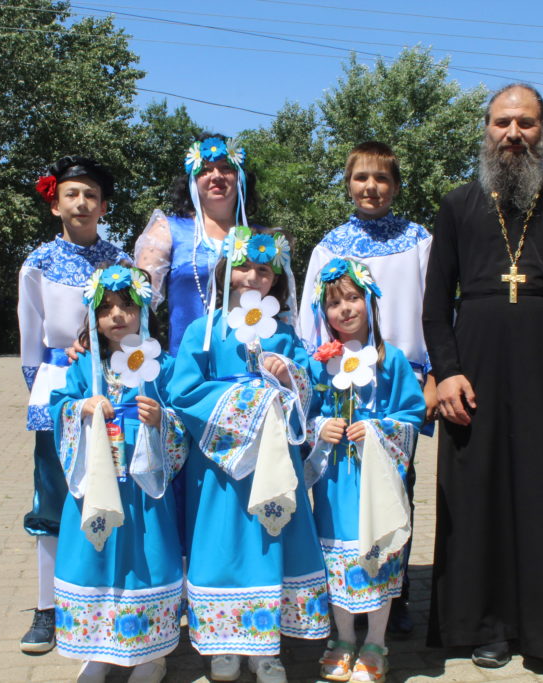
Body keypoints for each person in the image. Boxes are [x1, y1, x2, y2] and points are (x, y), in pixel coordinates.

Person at [422, 83, 543, 669]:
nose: (513, 134)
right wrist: (446, 372)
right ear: (486, 130)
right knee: (478, 493)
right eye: (503, 122)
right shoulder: (458, 205)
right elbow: (435, 305)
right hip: (475, 368)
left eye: (525, 123)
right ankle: (487, 626)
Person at [169, 227, 330, 683]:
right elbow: (183, 392)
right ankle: (224, 645)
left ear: (275, 280)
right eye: (244, 266)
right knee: (222, 544)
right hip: (220, 465)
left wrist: (288, 375)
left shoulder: (285, 333)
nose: (253, 277)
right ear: (226, 272)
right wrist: (249, 402)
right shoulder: (204, 331)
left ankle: (266, 648)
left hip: (274, 463)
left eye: (264, 269)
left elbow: (310, 392)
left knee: (269, 542)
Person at [298, 141, 437, 636]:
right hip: (339, 381)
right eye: (361, 177)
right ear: (348, 184)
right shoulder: (330, 246)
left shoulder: (420, 240)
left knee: (398, 485)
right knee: (338, 493)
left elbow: (437, 309)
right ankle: (343, 595)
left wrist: (435, 374)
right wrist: (318, 369)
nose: (371, 187)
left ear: (396, 185)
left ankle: (394, 595)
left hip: (398, 380)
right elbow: (310, 316)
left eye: (381, 178)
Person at [48, 265, 187, 683]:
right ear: (93, 317)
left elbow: (184, 420)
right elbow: (59, 406)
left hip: (144, 488)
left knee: (147, 558)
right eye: (105, 308)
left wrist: (162, 418)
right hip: (97, 483)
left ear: (143, 309)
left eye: (126, 305)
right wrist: (81, 408)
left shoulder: (164, 365)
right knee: (96, 557)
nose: (117, 315)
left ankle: (150, 654)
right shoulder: (83, 366)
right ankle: (97, 650)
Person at [17, 156, 131, 654]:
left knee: (113, 487)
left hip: (114, 390)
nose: (81, 203)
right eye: (72, 194)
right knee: (53, 497)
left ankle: (110, 595)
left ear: (104, 206)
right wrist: (43, 392)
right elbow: (29, 338)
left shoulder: (121, 262)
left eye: (91, 195)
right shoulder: (38, 263)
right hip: (59, 389)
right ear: (55, 204)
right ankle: (49, 608)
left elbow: (135, 325)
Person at [304, 258, 425, 682]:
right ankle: (342, 639)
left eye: (353, 298)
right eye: (334, 302)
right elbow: (304, 415)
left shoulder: (392, 360)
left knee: (378, 556)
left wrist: (376, 429)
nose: (345, 309)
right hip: (335, 483)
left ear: (369, 301)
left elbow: (412, 414)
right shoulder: (319, 364)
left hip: (377, 482)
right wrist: (321, 427)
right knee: (337, 562)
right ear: (324, 312)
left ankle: (375, 642)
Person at [134, 133, 260, 355]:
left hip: (249, 362)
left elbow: (281, 307)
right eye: (205, 170)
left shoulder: (260, 239)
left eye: (226, 168)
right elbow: (139, 303)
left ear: (240, 177)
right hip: (188, 363)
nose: (216, 176)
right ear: (192, 180)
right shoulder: (167, 230)